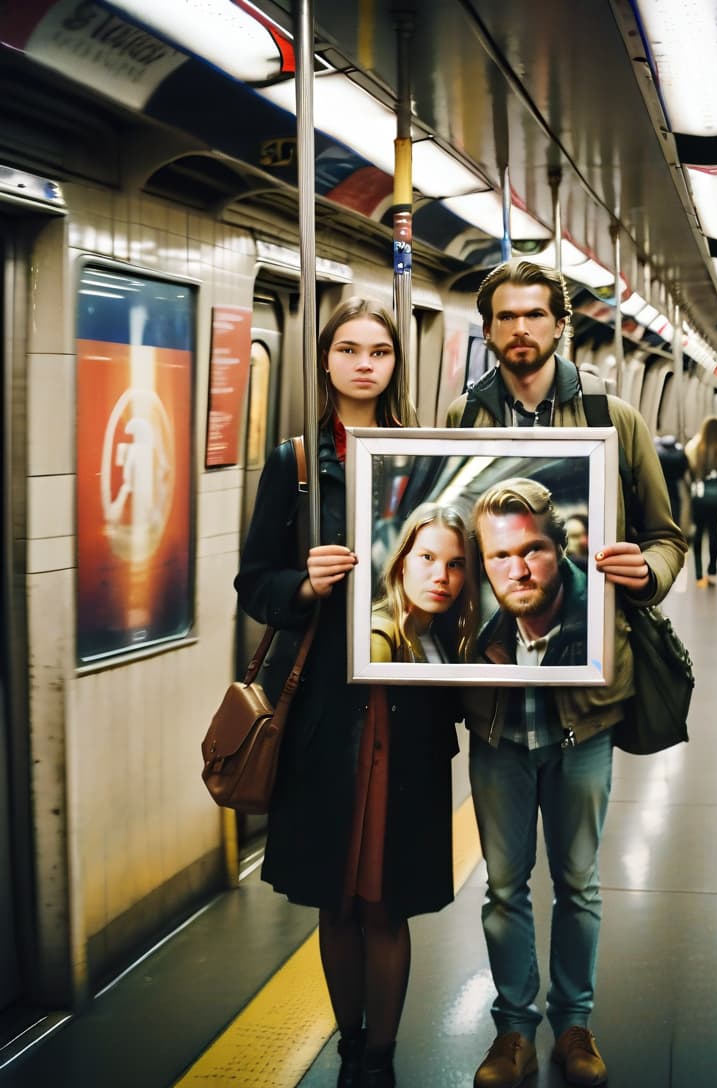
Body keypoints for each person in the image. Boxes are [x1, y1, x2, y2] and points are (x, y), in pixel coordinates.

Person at [445, 259, 687, 1088]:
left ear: (559, 326)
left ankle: (573, 1025)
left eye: (535, 316)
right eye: (505, 317)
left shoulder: (613, 419)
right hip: (495, 709)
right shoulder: (457, 422)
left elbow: (667, 534)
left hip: (587, 703)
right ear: (489, 330)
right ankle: (511, 1031)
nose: (520, 330)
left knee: (578, 881)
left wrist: (643, 572)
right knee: (504, 885)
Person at [235, 298, 460, 1088]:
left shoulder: (429, 459)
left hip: (410, 711)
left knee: (385, 900)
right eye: (349, 349)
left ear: (398, 365)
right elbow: (253, 583)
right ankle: (349, 1045)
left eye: (381, 351)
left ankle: (383, 1059)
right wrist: (303, 585)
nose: (365, 363)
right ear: (325, 361)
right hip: (325, 713)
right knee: (336, 897)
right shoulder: (294, 466)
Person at [473, 478, 587, 672]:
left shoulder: (607, 627)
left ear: (560, 550)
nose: (518, 573)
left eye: (532, 550)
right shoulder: (482, 647)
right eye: (501, 556)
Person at [370, 502, 477, 664]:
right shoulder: (379, 636)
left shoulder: (440, 634)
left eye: (454, 564)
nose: (442, 576)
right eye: (427, 557)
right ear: (401, 563)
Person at [684, 416, 717, 587]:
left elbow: (689, 470)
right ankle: (712, 571)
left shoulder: (695, 446)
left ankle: (698, 573)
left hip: (700, 495)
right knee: (714, 531)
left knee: (699, 532)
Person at [653, 433, 689, 526]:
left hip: (659, 486)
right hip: (674, 486)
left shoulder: (656, 451)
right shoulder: (680, 453)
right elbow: (683, 469)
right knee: (675, 510)